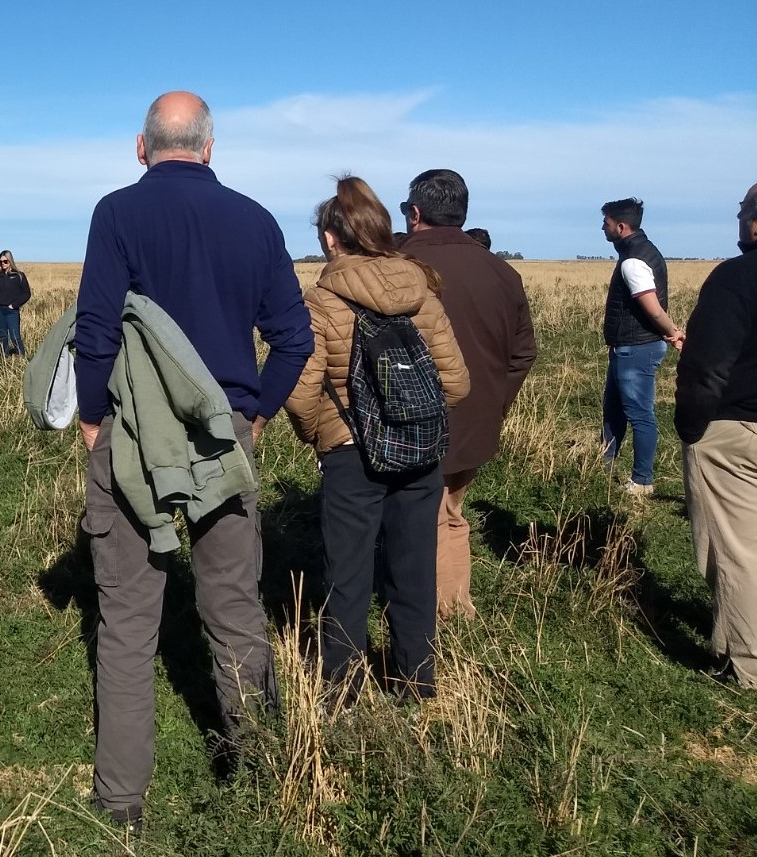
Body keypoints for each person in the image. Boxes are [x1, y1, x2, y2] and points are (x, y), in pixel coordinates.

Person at [75, 92, 313, 831]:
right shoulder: (256, 219)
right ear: (210, 148)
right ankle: (261, 770)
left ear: (140, 148)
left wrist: (92, 420)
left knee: (124, 619)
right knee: (236, 605)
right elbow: (295, 337)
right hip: (224, 433)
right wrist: (258, 412)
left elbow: (94, 327)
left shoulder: (117, 212)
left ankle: (121, 802)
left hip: (133, 433)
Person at [285, 177, 469, 703]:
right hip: (420, 454)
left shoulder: (320, 302)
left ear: (329, 239)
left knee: (347, 576)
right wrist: (414, 417)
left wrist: (324, 435)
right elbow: (457, 382)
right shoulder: (423, 291)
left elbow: (299, 394)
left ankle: (341, 691)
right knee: (414, 571)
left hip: (350, 454)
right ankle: (417, 686)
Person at [401, 170, 537, 620]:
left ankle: (435, 609)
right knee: (451, 511)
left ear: (415, 213)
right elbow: (523, 353)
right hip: (476, 420)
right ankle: (457, 605)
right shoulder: (502, 272)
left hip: (402, 420)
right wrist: (492, 404)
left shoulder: (394, 264)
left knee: (420, 518)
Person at [675, 182, 757, 688]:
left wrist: (692, 428)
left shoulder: (736, 278)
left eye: (742, 209)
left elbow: (707, 366)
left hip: (736, 429)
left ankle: (747, 664)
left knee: (735, 551)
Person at [600, 197, 684, 497]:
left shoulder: (634, 260)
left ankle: (642, 481)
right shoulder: (641, 250)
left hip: (635, 348)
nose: (603, 228)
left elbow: (652, 308)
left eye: (606, 224)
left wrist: (673, 333)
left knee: (640, 414)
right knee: (613, 410)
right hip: (629, 347)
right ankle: (603, 467)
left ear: (621, 227)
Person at [0, 250, 31, 357]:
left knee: (15, 336)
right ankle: (4, 358)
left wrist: (15, 305)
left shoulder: (19, 276)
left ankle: (21, 358)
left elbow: (27, 294)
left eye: (5, 261)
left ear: (10, 261)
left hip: (12, 311)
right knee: (2, 336)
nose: (3, 264)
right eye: (0, 262)